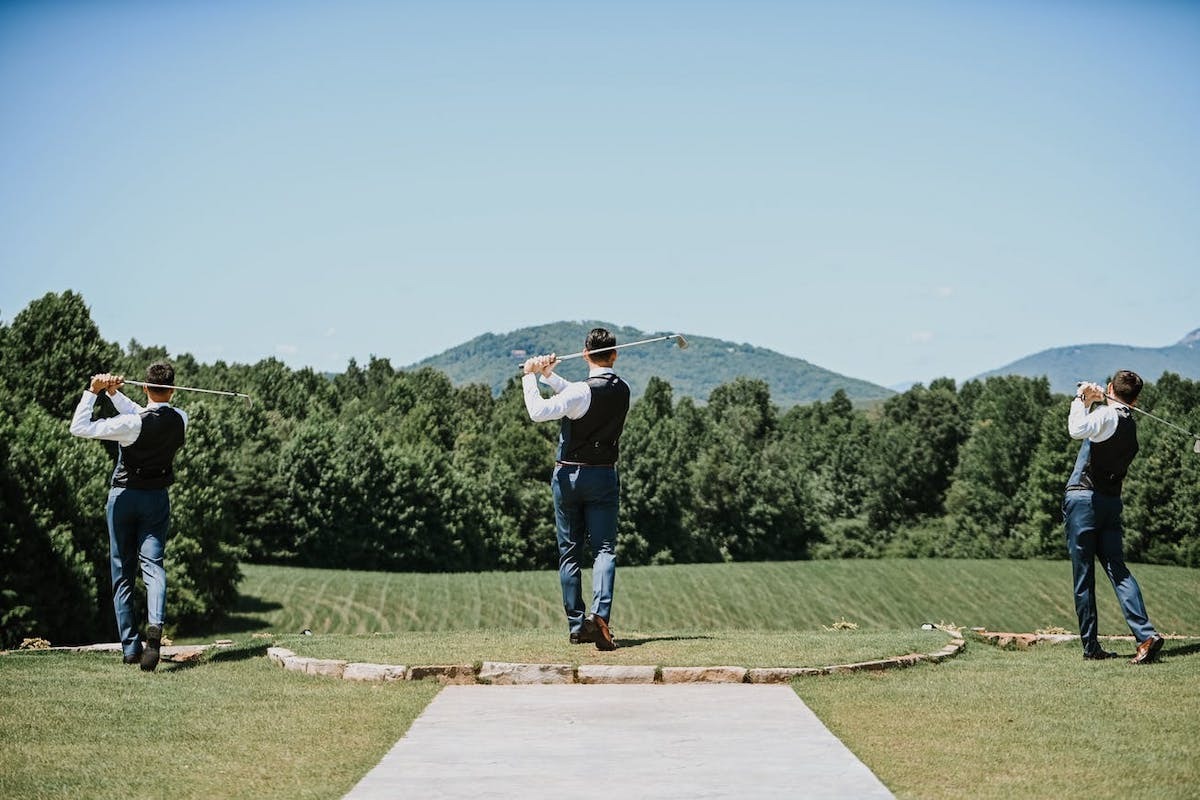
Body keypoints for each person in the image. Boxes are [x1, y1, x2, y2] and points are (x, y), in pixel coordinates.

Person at [69, 362, 188, 671]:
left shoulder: (130, 423)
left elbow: (79, 428)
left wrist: (93, 392)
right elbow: (147, 414)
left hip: (124, 498)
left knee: (122, 571)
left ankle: (130, 649)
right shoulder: (181, 420)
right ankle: (155, 629)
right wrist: (114, 393)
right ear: (173, 390)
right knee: (153, 565)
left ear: (145, 387)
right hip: (156, 499)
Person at [522, 328, 631, 651]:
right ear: (615, 354)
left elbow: (539, 412)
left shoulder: (580, 392)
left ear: (585, 354)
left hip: (569, 477)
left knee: (570, 551)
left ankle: (575, 625)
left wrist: (530, 377)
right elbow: (580, 396)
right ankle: (599, 618)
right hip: (603, 476)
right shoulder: (623, 390)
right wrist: (549, 376)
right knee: (604, 549)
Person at [1065, 370, 1163, 664]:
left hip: (1084, 500)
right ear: (1136, 399)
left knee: (1083, 577)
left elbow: (1077, 429)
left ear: (1110, 388)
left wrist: (1082, 398)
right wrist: (1097, 400)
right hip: (1111, 503)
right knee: (1118, 570)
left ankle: (1091, 647)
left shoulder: (1107, 416)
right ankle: (1145, 634)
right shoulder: (1129, 426)